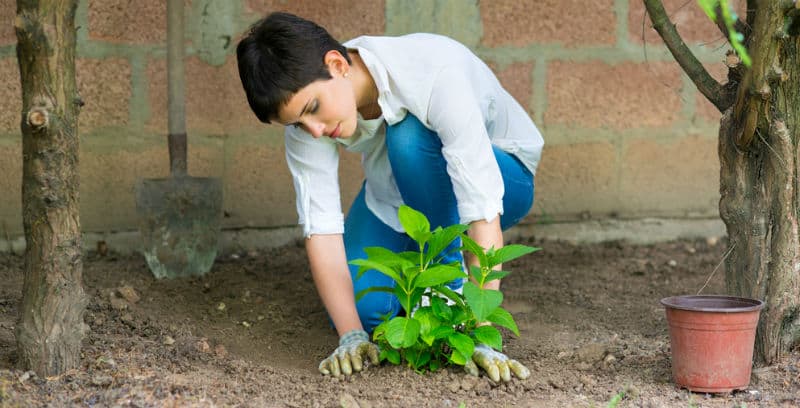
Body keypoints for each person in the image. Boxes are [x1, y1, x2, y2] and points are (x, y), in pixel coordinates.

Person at [236, 12, 544, 382]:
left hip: (502, 179)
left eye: (312, 109)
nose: (314, 131)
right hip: (398, 192)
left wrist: (481, 334)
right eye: (297, 123)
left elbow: (482, 206)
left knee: (408, 137)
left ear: (336, 64)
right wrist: (349, 337)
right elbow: (321, 229)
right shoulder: (308, 126)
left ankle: (446, 281)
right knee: (367, 312)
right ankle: (421, 286)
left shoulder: (434, 73)